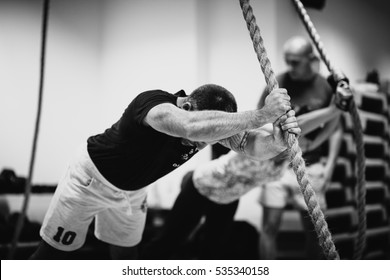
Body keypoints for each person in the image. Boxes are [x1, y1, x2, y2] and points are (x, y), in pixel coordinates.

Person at [29, 83, 295, 259]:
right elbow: (191, 127)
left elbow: (250, 145)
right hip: (90, 179)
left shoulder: (209, 127)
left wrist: (276, 142)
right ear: (188, 106)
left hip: (132, 190)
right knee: (51, 255)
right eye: (206, 136)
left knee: (127, 259)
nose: (203, 143)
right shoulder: (154, 105)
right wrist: (262, 115)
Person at [140, 103, 342, 260]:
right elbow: (302, 124)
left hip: (228, 199)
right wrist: (332, 109)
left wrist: (339, 110)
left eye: (306, 141)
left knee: (212, 252)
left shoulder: (289, 157)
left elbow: (320, 137)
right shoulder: (267, 139)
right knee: (169, 241)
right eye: (302, 138)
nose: (306, 144)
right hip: (201, 187)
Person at [257, 36, 344, 260]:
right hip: (278, 166)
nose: (290, 67)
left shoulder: (324, 86)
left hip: (312, 166)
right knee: (269, 227)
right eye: (287, 61)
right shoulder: (277, 85)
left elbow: (335, 130)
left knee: (315, 234)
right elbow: (262, 121)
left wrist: (330, 167)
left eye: (295, 62)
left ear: (310, 59)